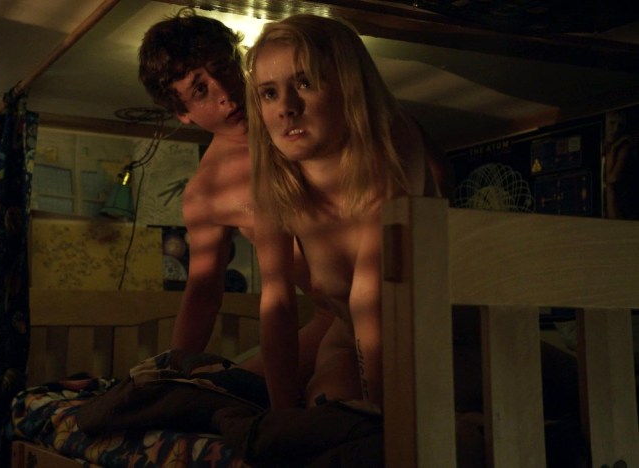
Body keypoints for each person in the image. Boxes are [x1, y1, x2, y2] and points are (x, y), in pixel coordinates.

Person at [244, 13, 443, 411]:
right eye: (269, 93)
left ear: (349, 85)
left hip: (447, 335)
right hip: (348, 338)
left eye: (305, 82)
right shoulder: (274, 183)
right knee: (328, 412)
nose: (286, 108)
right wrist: (283, 419)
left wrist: (385, 423)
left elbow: (374, 296)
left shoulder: (393, 141)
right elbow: (278, 303)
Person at [137, 8, 334, 389]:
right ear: (182, 112)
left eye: (223, 68)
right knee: (220, 394)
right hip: (335, 317)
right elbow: (203, 292)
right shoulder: (208, 192)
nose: (225, 94)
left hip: (399, 291)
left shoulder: (301, 113)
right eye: (200, 90)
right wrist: (174, 370)